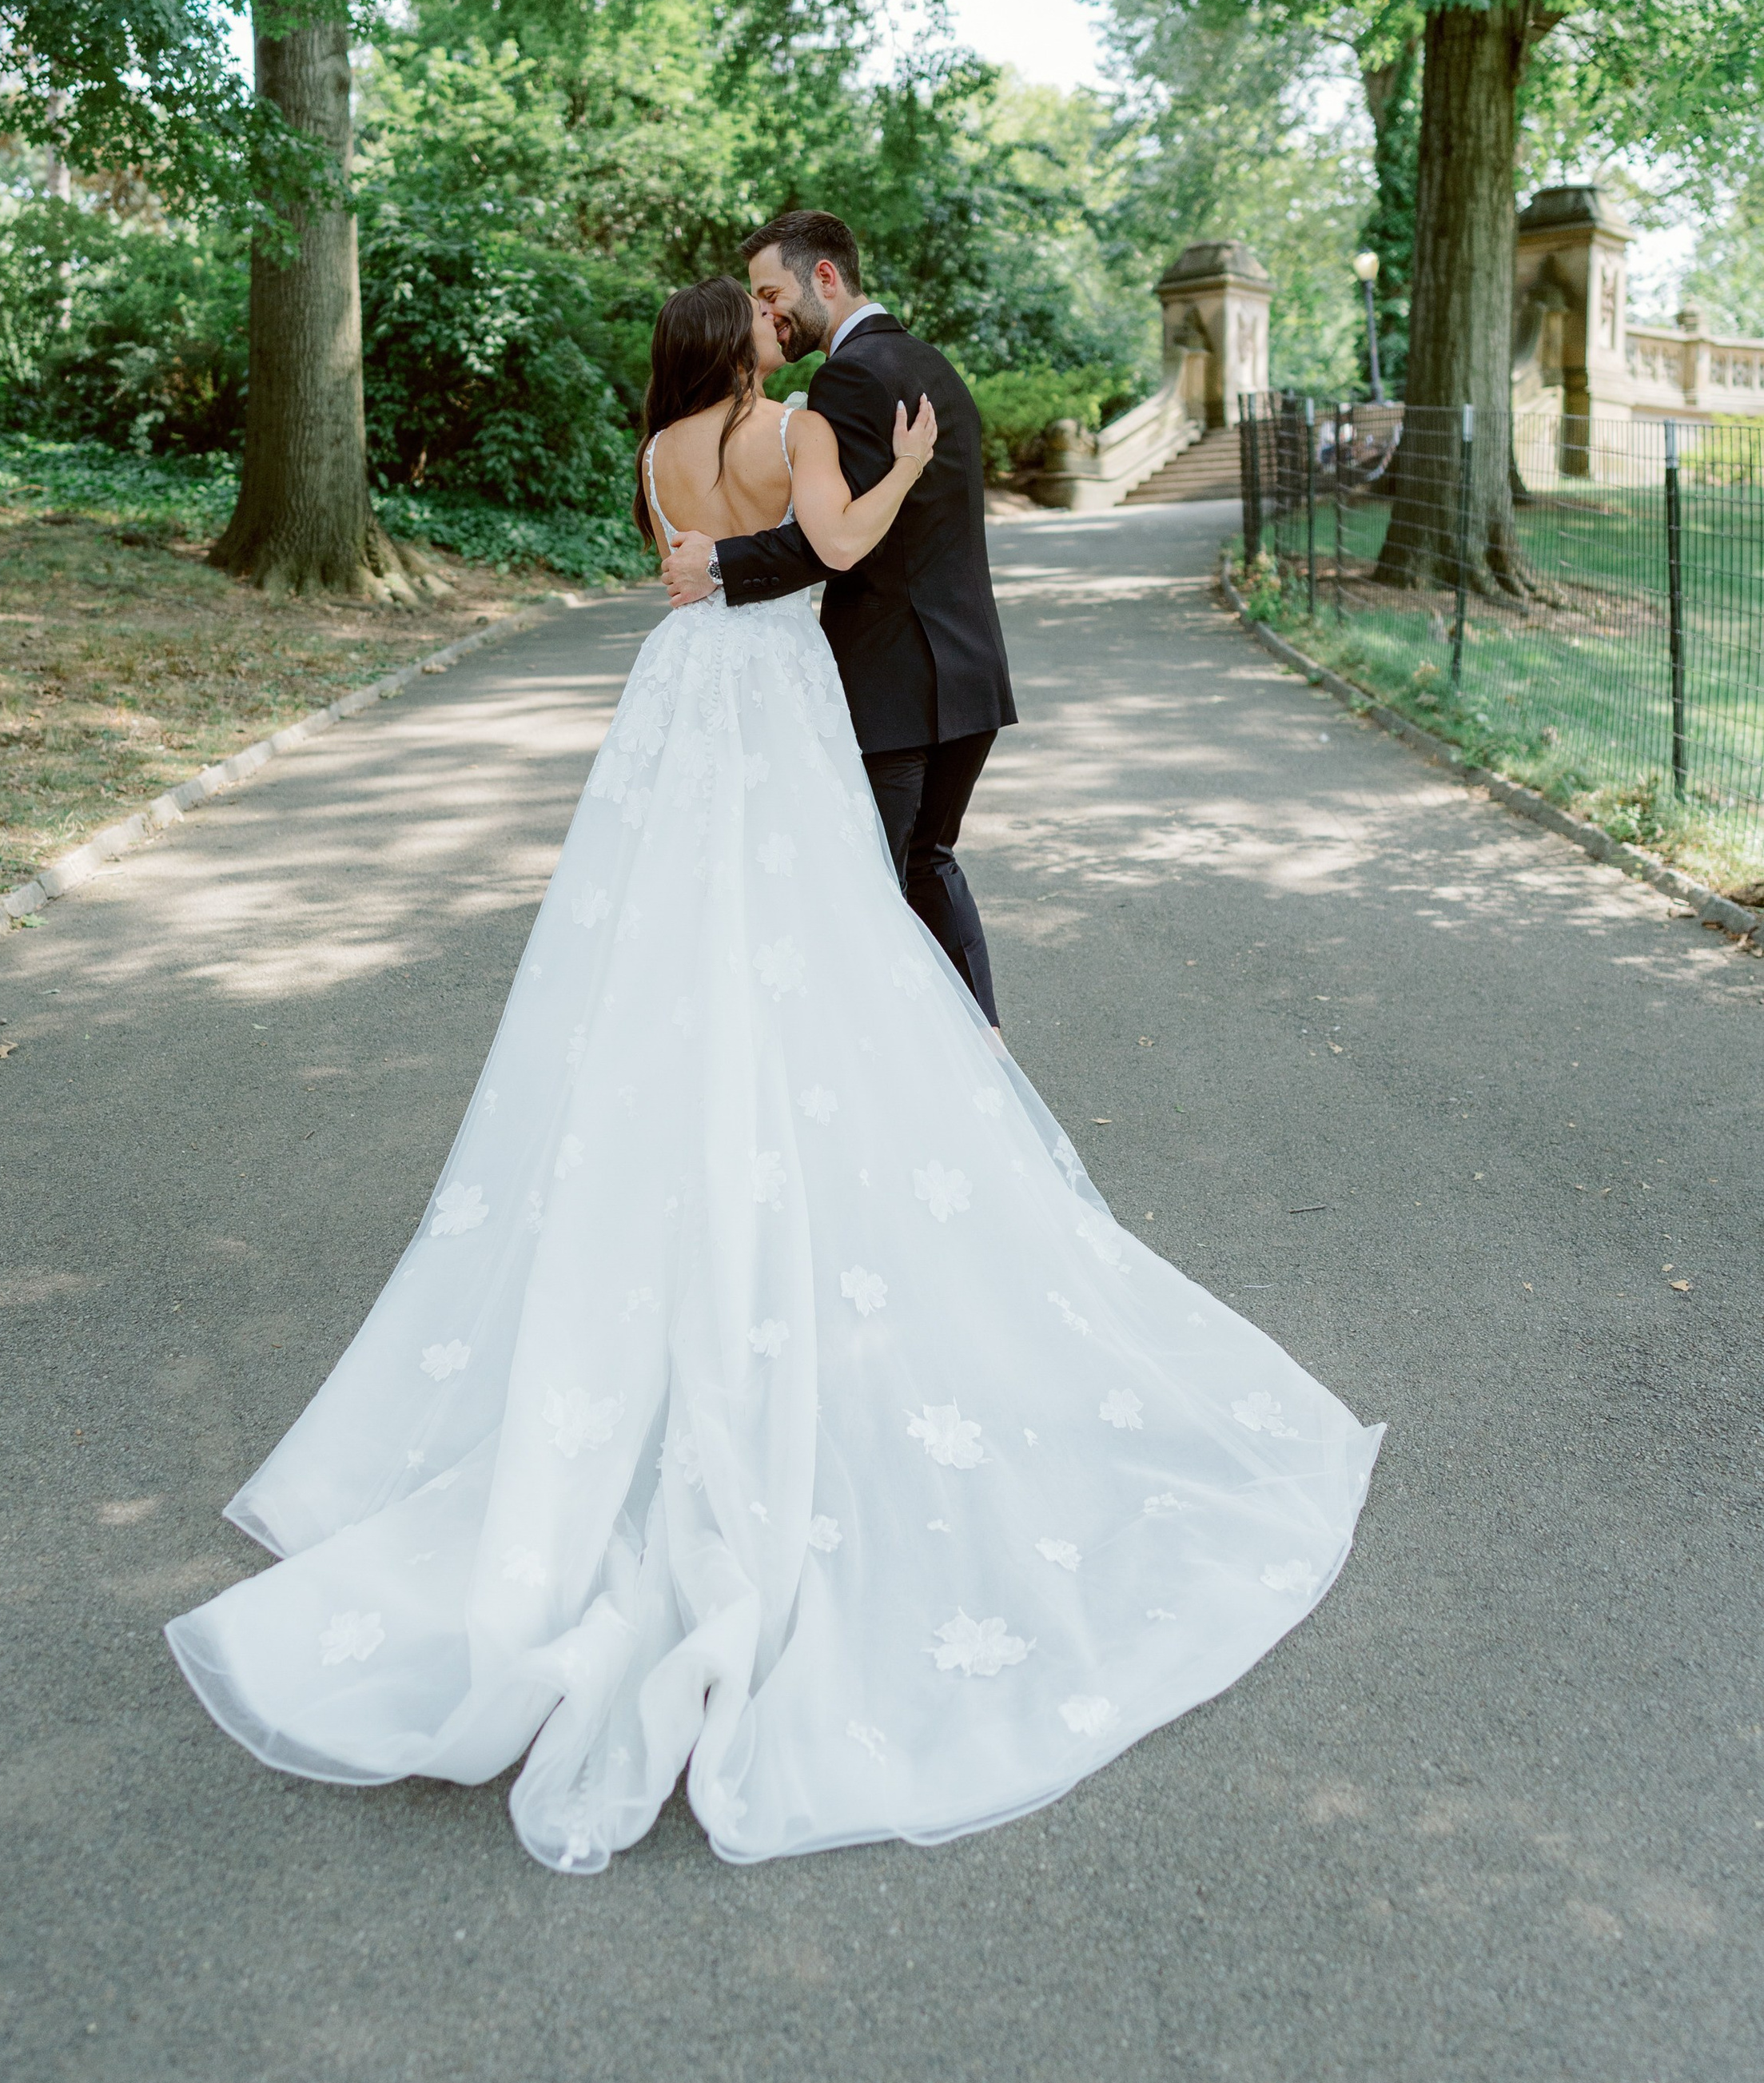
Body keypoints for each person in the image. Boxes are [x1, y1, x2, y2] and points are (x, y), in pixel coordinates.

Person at [166, 273, 1382, 1875]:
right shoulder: (797, 425)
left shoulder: (661, 447)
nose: (765, 327)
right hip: (781, 697)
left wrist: (735, 554)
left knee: (675, 934)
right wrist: (899, 463)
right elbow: (836, 550)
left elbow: (680, 574)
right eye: (746, 319)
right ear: (734, 347)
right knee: (815, 931)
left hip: (679, 699)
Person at [662, 213, 1013, 1027]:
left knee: (870, 884)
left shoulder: (849, 378)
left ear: (825, 278)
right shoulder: (931, 363)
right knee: (926, 864)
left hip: (897, 680)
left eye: (771, 293)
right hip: (969, 674)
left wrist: (718, 563)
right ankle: (982, 1051)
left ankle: (894, 1067)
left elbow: (834, 539)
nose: (767, 311)